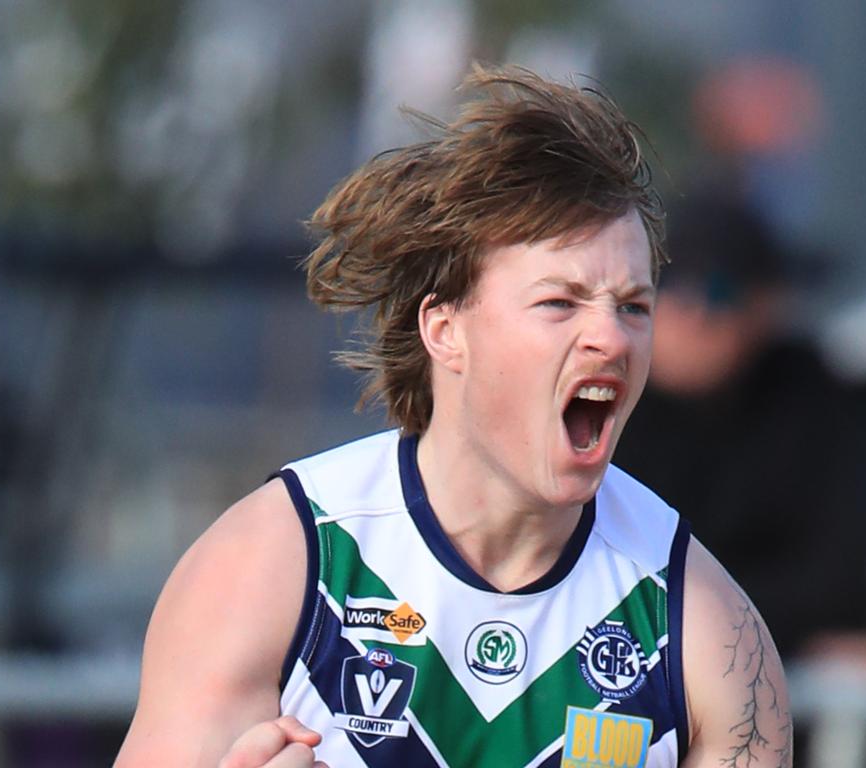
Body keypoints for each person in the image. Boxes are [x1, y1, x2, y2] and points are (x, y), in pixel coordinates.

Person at [114, 66, 792, 768]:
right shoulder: (275, 565)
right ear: (445, 329)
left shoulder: (703, 632)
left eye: (634, 307)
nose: (612, 339)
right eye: (559, 303)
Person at [613, 188, 866, 662]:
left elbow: (840, 586)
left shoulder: (803, 393)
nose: (690, 318)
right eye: (664, 288)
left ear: (765, 306)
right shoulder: (604, 404)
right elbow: (607, 587)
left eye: (717, 293)